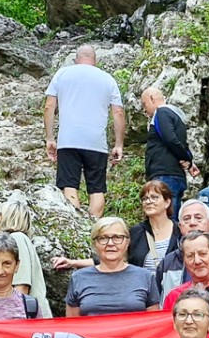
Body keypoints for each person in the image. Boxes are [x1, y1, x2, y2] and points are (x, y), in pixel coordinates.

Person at [44, 45, 125, 217]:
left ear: (76, 59)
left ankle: (76, 225)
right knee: (97, 188)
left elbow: (49, 106)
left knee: (70, 185)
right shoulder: (107, 79)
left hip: (68, 140)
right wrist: (119, 144)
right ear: (95, 60)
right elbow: (118, 112)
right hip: (96, 143)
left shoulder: (63, 74)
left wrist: (50, 138)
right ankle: (94, 224)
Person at [141, 87, 197, 218]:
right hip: (174, 174)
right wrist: (188, 161)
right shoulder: (176, 117)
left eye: (144, 104)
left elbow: (170, 139)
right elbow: (180, 143)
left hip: (165, 175)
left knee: (165, 218)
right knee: (172, 215)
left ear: (152, 98)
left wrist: (187, 161)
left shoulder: (162, 113)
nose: (144, 110)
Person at [161, 232, 209, 316]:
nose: (197, 261)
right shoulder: (174, 296)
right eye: (190, 256)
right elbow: (168, 327)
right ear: (184, 260)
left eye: (202, 254)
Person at [0, 198, 47, 301]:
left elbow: (21, 286)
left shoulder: (17, 239)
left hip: (23, 314)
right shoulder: (15, 240)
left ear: (5, 217)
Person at [132, 180, 183, 270]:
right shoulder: (136, 232)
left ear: (167, 202)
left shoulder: (180, 230)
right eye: (145, 198)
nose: (148, 201)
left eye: (154, 197)